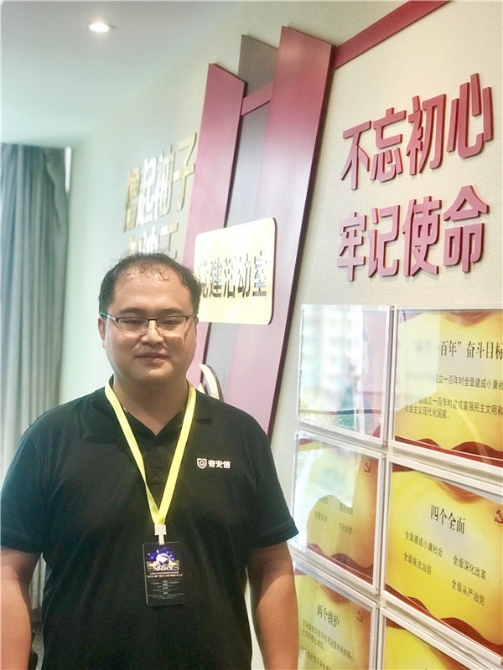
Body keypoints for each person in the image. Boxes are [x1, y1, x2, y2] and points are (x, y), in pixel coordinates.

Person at [1, 252, 299, 670]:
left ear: (194, 328)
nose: (153, 335)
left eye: (171, 319)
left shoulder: (240, 435)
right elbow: (9, 572)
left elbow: (271, 565)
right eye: (132, 319)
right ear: (103, 328)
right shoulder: (51, 438)